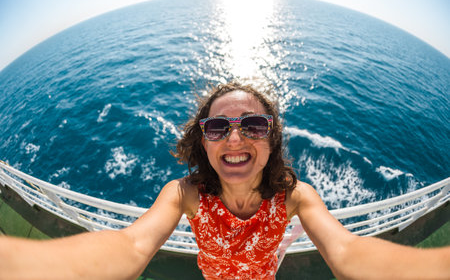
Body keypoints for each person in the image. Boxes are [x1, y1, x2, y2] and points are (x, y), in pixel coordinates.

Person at [0, 82, 449, 279]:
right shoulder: (184, 194)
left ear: (271, 139)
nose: (235, 137)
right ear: (205, 142)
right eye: (217, 128)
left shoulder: (296, 196)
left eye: (253, 125)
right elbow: (132, 247)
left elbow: (348, 252)